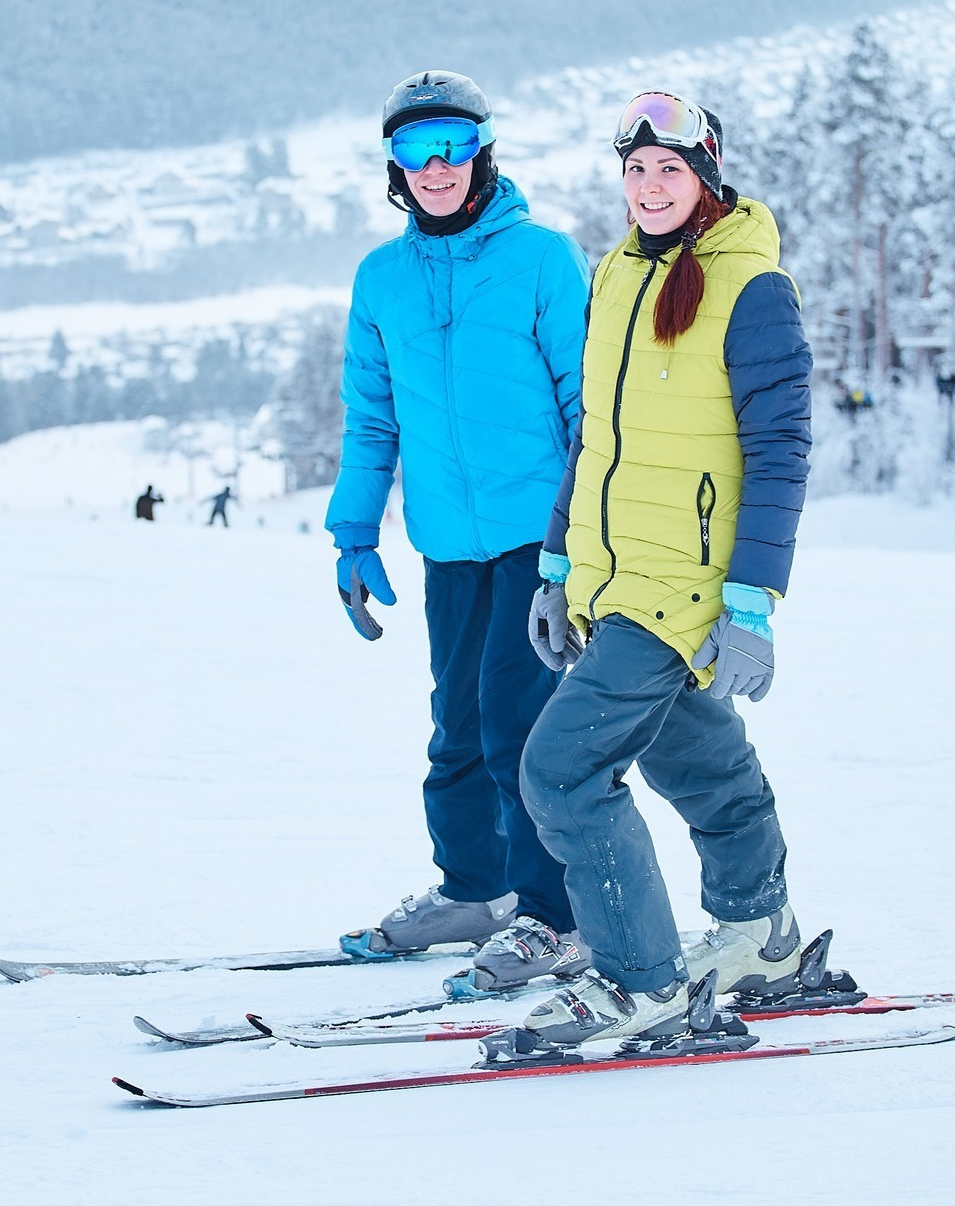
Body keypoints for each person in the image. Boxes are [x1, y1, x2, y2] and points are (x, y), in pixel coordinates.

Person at [512, 90, 813, 1049]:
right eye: (635, 169)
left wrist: (753, 600)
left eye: (669, 169)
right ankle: (761, 933)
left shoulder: (751, 286)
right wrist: (560, 561)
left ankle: (642, 982)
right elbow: (597, 434)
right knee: (695, 754)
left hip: (682, 583)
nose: (648, 186)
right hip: (616, 577)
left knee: (562, 773)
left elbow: (780, 450)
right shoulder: (616, 273)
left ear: (706, 176)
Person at [328, 69, 594, 994]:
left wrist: (581, 542)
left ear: (483, 153)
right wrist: (354, 533)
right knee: (457, 725)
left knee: (520, 723)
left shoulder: (543, 259)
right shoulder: (382, 279)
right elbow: (372, 420)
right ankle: (475, 890)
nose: (434, 166)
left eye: (452, 145)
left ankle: (552, 915)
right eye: (414, 148)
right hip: (446, 543)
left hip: (539, 537)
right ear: (394, 167)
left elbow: (590, 409)